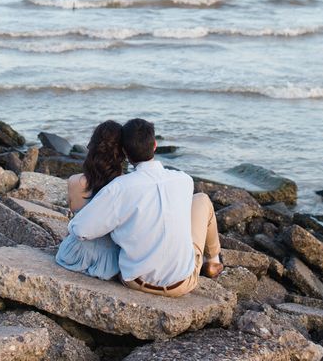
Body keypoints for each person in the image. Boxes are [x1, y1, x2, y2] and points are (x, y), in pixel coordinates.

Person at [68, 118, 222, 297]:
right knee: (202, 199)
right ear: (155, 145)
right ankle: (213, 260)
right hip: (182, 283)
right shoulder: (184, 180)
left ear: (125, 152)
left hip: (136, 281)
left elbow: (81, 230)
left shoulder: (119, 187)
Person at [55, 120, 124, 280]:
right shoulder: (126, 186)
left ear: (91, 147)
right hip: (110, 262)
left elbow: (76, 220)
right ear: (122, 153)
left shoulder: (74, 182)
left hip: (74, 254)